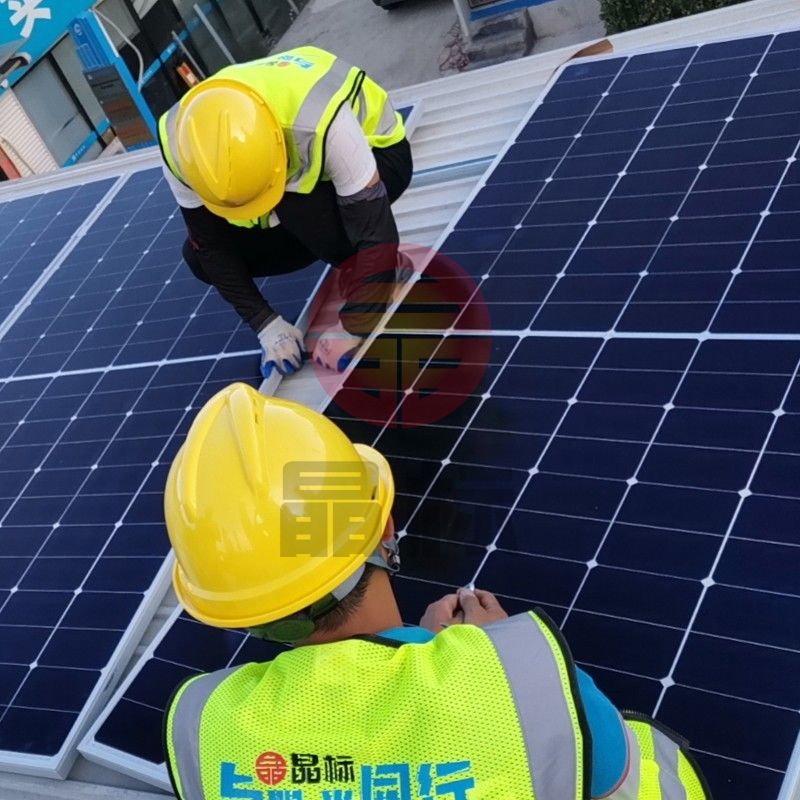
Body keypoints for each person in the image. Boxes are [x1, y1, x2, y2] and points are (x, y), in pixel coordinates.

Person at [163, 383, 712, 800]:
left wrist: (427, 657)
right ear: (385, 529)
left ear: (232, 609)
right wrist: (493, 660)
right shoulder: (533, 683)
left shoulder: (199, 729)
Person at [157, 46, 412, 378]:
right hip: (301, 194)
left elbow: (375, 230)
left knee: (294, 202)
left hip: (380, 155)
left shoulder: (320, 121)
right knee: (197, 256)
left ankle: (384, 273)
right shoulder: (181, 145)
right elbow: (210, 245)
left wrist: (355, 326)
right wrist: (266, 326)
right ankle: (347, 259)